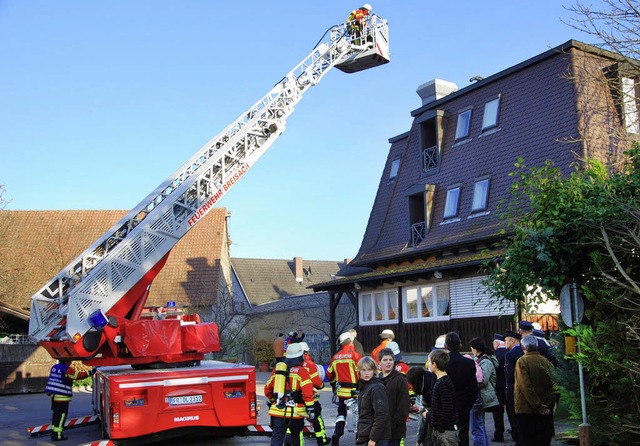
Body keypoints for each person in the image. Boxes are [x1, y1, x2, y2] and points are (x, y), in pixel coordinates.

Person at [264, 342, 316, 446]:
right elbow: (308, 393)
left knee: (277, 438)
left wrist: (273, 400)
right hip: (296, 413)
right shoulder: (302, 372)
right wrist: (311, 410)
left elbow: (267, 389)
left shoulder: (278, 370)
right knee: (295, 438)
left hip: (278, 412)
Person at [514, 335, 556, 446]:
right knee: (542, 441)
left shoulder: (522, 361)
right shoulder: (546, 362)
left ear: (523, 348)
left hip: (526, 410)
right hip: (545, 410)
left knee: (527, 441)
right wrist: (548, 405)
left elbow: (525, 386)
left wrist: (538, 405)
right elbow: (554, 386)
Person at [45, 360, 94, 442]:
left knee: (56, 415)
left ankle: (54, 432)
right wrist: (90, 373)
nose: (71, 363)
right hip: (62, 397)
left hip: (54, 396)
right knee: (61, 416)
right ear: (66, 361)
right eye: (70, 361)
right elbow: (76, 376)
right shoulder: (67, 369)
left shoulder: (55, 367)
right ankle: (58, 435)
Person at [327, 332, 363, 445]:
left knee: (341, 413)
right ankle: (359, 437)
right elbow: (362, 372)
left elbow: (329, 375)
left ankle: (336, 434)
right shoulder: (355, 355)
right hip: (355, 392)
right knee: (359, 414)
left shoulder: (335, 357)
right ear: (351, 341)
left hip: (342, 392)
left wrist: (334, 383)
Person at [443, 332, 476, 446]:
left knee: (446, 434)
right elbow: (473, 387)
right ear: (460, 345)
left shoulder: (443, 364)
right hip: (463, 401)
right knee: (463, 432)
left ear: (446, 345)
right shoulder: (469, 363)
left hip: (446, 403)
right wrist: (469, 402)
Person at [469, 337, 499, 446]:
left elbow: (483, 380)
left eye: (472, 348)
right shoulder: (482, 360)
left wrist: (470, 383)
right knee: (480, 426)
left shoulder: (485, 361)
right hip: (482, 397)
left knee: (477, 428)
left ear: (476, 349)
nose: (471, 351)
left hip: (481, 398)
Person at [355, 355, 391, 446]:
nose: (366, 373)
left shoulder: (376, 388)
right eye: (363, 370)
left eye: (369, 370)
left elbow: (381, 415)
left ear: (374, 371)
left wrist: (373, 438)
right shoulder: (365, 387)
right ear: (359, 372)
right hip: (367, 435)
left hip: (377, 438)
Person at [425, 349, 458, 446]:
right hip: (441, 429)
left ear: (434, 364)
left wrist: (440, 426)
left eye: (429, 362)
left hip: (445, 431)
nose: (428, 364)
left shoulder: (443, 383)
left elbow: (447, 407)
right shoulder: (441, 381)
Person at [378, 348, 410, 446]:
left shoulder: (400, 379)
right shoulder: (376, 380)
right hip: (379, 429)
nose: (388, 362)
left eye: (390, 360)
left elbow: (404, 405)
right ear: (379, 363)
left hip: (395, 430)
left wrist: (394, 424)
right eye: (385, 360)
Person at [300, 342, 331, 445]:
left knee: (296, 421)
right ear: (306, 352)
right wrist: (321, 386)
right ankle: (321, 439)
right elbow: (316, 382)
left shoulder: (290, 364)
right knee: (317, 418)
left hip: (296, 399)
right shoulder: (309, 364)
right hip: (311, 397)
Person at [406, 366, 436, 446]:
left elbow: (424, 420)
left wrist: (419, 440)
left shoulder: (427, 393)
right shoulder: (431, 381)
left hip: (433, 433)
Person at [504, 330, 523, 446]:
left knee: (514, 419)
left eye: (506, 340)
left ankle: (518, 440)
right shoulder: (523, 350)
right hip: (523, 390)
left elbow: (510, 376)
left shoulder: (510, 355)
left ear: (512, 340)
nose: (504, 343)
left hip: (513, 391)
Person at [491, 334, 507, 443]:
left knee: (498, 413)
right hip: (508, 386)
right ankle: (516, 433)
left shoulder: (494, 355)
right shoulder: (508, 352)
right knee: (512, 413)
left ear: (496, 344)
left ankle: (499, 434)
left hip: (497, 388)